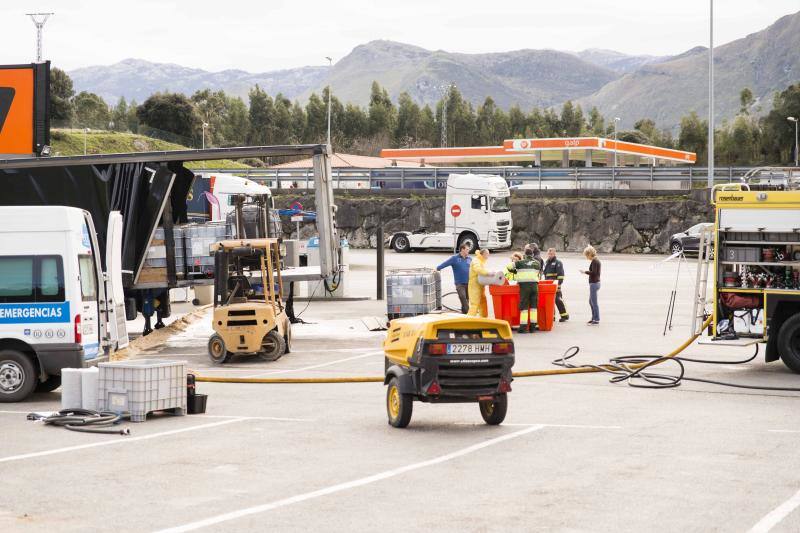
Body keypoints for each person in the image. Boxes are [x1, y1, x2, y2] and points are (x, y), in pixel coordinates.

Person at [509, 244, 542, 333]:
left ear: (525, 255)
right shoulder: (537, 263)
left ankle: (523, 327)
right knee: (533, 307)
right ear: (532, 255)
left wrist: (516, 270)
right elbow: (538, 273)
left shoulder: (520, 263)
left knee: (524, 307)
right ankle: (532, 327)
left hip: (524, 287)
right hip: (535, 287)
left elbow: (509, 267)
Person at [437, 244, 472, 314]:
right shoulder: (454, 258)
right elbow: (445, 264)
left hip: (469, 283)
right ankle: (469, 313)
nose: (468, 251)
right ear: (462, 249)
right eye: (467, 249)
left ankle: (464, 314)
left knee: (467, 300)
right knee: (462, 297)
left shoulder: (469, 259)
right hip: (459, 283)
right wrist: (438, 268)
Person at [543, 247, 569, 322]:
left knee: (558, 300)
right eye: (549, 254)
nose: (550, 255)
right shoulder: (547, 262)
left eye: (551, 254)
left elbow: (561, 275)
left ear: (554, 254)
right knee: (550, 301)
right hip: (548, 285)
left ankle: (564, 315)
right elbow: (546, 274)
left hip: (555, 285)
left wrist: (558, 284)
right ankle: (552, 316)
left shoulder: (558, 263)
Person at [580, 245, 601, 325]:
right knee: (591, 301)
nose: (586, 257)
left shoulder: (595, 261)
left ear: (589, 254)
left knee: (594, 302)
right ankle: (594, 318)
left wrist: (585, 272)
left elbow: (594, 273)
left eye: (586, 255)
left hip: (594, 284)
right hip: (595, 283)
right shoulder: (595, 261)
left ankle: (596, 319)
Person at [467, 249, 491, 317]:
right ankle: (469, 320)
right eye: (487, 254)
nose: (488, 256)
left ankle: (484, 319)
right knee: (475, 303)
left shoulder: (481, 261)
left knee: (483, 302)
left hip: (480, 285)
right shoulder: (476, 260)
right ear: (483, 254)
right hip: (474, 285)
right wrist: (488, 273)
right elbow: (478, 269)